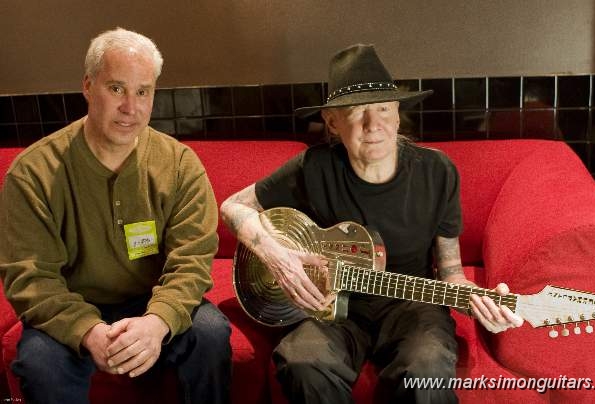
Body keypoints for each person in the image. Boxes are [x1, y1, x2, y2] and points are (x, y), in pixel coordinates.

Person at [220, 44, 523, 403]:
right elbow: (233, 206)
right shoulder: (313, 167)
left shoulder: (437, 171)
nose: (372, 124)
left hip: (413, 304)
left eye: (382, 108)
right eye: (356, 111)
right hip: (332, 305)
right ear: (332, 121)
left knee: (426, 368)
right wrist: (275, 255)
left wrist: (480, 303)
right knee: (302, 362)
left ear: (397, 115)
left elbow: (451, 269)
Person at [0, 27, 231, 404]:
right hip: (69, 304)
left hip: (151, 299)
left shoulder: (179, 164)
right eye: (117, 89)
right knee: (38, 362)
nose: (131, 108)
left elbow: (192, 260)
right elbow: (31, 276)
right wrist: (87, 330)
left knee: (209, 333)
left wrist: (157, 322)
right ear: (88, 87)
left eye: (143, 92)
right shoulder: (32, 173)